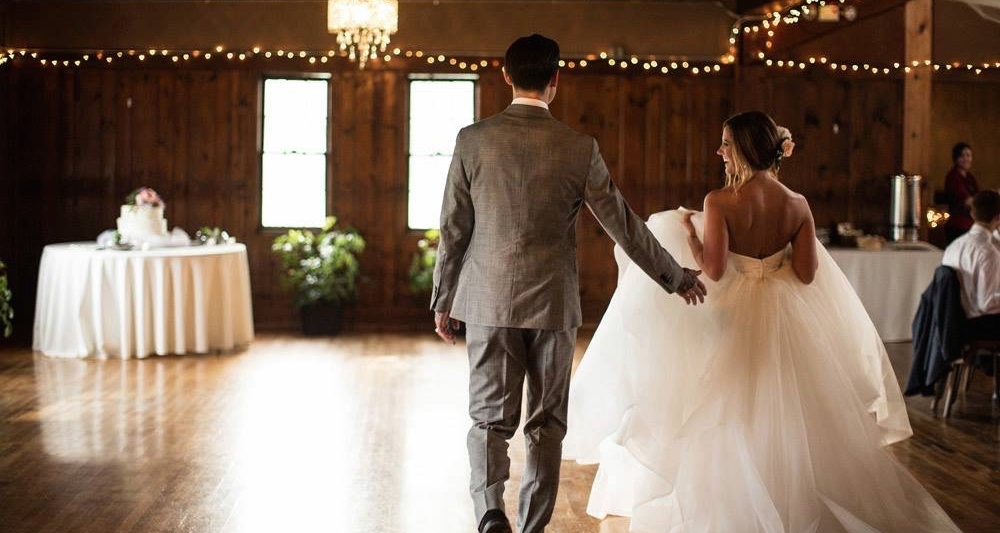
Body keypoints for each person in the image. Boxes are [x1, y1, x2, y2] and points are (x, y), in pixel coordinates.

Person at [564, 111, 963, 532]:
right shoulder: (797, 204)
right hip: (784, 312)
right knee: (789, 407)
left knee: (728, 405)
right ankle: (787, 496)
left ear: (743, 149)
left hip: (735, 314)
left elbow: (714, 270)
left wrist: (692, 235)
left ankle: (733, 504)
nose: (720, 151)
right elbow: (807, 273)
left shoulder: (719, 201)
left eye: (725, 144)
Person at [430, 34, 706, 533]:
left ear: (505, 75)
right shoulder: (579, 148)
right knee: (545, 424)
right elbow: (623, 224)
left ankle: (490, 512)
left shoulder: (472, 140)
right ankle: (532, 527)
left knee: (489, 419)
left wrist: (443, 298)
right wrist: (675, 275)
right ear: (556, 80)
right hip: (554, 305)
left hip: (487, 300)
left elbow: (454, 227)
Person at [942, 189, 1000, 340]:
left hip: (952, 323)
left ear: (972, 214)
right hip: (976, 325)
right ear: (998, 217)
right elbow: (985, 305)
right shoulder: (988, 252)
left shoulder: (954, 245)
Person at [942, 142, 979, 244]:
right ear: (956, 158)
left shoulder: (970, 177)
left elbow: (977, 196)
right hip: (958, 225)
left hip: (970, 224)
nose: (966, 159)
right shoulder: (953, 177)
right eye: (962, 156)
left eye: (968, 155)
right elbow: (967, 201)